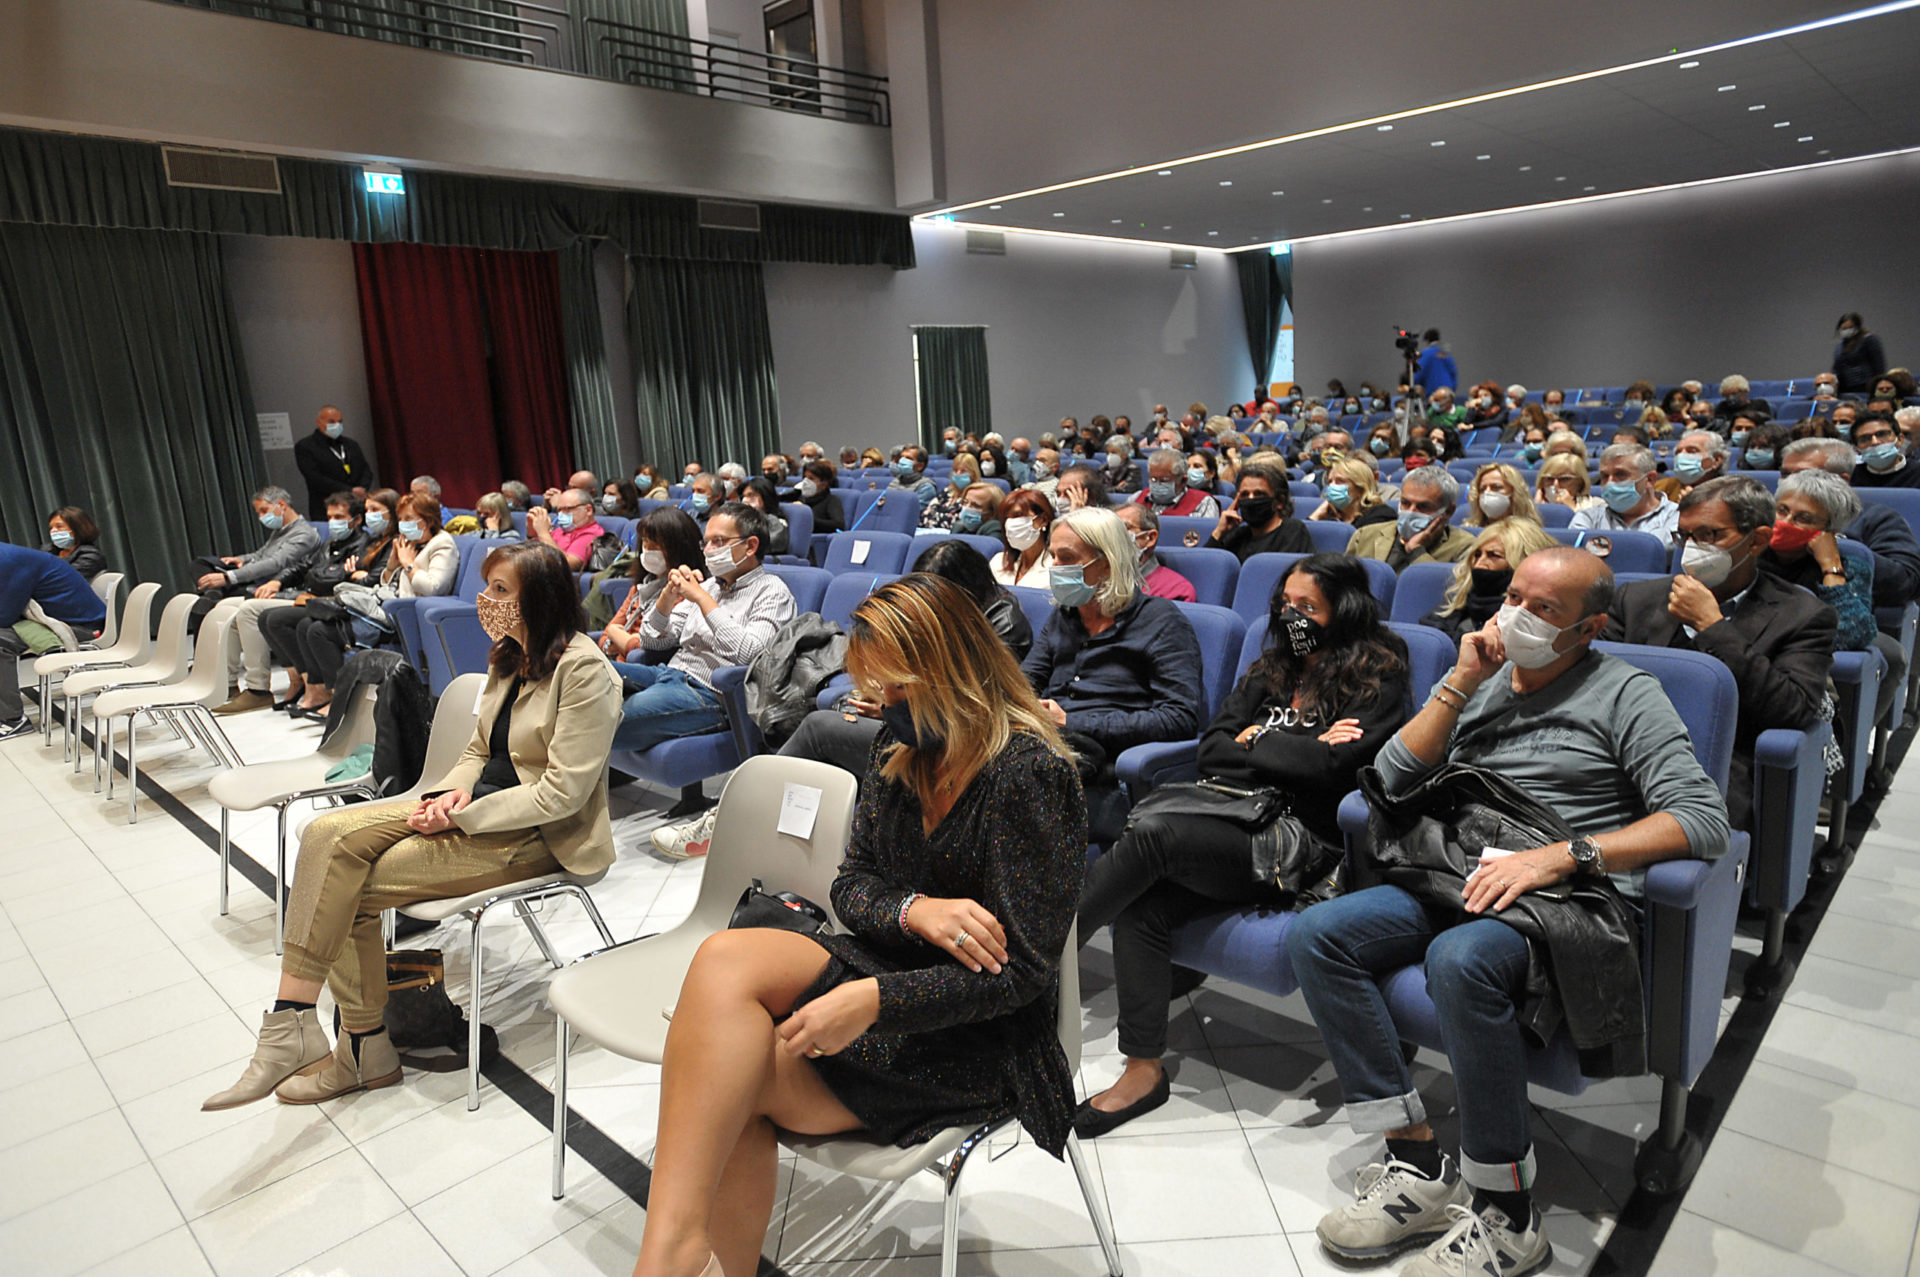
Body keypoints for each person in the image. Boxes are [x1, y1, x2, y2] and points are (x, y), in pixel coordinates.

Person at [1290, 547, 1729, 1275]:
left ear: (1587, 629)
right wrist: (1462, 681)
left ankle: (1508, 1213)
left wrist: (1560, 856)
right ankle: (1416, 1160)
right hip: (1461, 873)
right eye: (1513, 597)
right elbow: (1392, 777)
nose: (1515, 616)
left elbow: (1701, 818)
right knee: (1319, 933)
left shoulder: (1627, 692)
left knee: (1457, 958)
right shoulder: (1484, 684)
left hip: (1561, 895)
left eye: (1543, 609)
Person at [632, 574, 1083, 1277]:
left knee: (731, 1088)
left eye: (899, 690)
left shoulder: (1028, 774)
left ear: (956, 672)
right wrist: (914, 909)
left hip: (975, 1030)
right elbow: (853, 884)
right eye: (876, 691)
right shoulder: (899, 750)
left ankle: (671, 1259)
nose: (883, 706)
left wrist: (877, 1001)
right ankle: (675, 1251)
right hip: (884, 962)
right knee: (723, 959)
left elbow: (1025, 974)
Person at [203, 542, 622, 1110]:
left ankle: (361, 1049)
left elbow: (562, 794)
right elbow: (477, 749)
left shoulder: (585, 672)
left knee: (345, 890)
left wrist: (464, 815)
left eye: (501, 591)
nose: (485, 601)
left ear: (540, 601)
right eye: (487, 587)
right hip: (469, 804)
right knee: (324, 836)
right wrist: (451, 791)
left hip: (538, 833)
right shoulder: (509, 656)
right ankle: (293, 1023)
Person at [1075, 554, 1410, 1134]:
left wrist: (1257, 741)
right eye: (1286, 605)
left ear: (1344, 612)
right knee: (1143, 905)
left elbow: (1339, 769)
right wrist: (1295, 744)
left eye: (1308, 608)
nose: (1292, 617)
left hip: (1299, 841)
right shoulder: (1273, 667)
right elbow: (1212, 749)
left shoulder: (1378, 674)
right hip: (1228, 818)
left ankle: (1035, 966)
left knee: (1152, 836)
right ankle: (1144, 1069)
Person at [1603, 477, 1835, 827]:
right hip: (1620, 748)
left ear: (1756, 540)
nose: (1692, 548)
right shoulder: (1635, 599)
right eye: (1685, 536)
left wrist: (1712, 627)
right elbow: (1597, 679)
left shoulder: (1803, 615)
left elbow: (1792, 710)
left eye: (1710, 535)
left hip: (1718, 760)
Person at [1024, 507, 1203, 844]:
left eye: (1067, 558)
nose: (1056, 569)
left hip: (1110, 775)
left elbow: (1179, 719)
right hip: (1046, 753)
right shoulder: (1064, 617)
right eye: (1053, 558)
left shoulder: (1162, 622)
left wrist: (1072, 722)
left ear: (1106, 563)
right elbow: (1025, 682)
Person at [611, 503, 795, 753]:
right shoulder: (710, 586)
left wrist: (701, 599)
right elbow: (653, 642)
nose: (708, 551)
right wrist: (667, 596)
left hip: (714, 695)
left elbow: (751, 655)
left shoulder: (772, 591)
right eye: (706, 543)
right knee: (585, 672)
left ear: (750, 546)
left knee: (605, 719)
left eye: (718, 541)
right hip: (668, 674)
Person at [288, 493, 456, 721]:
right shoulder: (411, 544)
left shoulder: (442, 544)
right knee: (307, 624)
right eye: (401, 518)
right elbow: (387, 584)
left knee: (320, 632)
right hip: (389, 609)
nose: (403, 524)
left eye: (409, 518)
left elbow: (433, 587)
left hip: (408, 619)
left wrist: (407, 563)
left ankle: (341, 703)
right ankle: (322, 694)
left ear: (427, 520)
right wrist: (392, 565)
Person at [215, 491, 370, 716]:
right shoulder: (331, 542)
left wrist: (316, 578)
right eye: (330, 517)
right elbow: (304, 567)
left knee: (251, 611)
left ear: (356, 520)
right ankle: (231, 683)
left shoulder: (359, 545)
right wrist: (277, 581)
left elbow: (335, 578)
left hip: (322, 600)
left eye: (339, 517)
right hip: (306, 594)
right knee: (228, 606)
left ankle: (260, 688)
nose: (333, 522)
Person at [258, 487, 400, 714]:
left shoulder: (386, 542)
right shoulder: (371, 540)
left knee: (301, 625)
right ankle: (310, 684)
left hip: (361, 607)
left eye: (375, 509)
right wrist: (346, 574)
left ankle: (331, 692)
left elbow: (370, 580)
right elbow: (316, 571)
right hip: (341, 598)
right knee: (274, 618)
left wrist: (347, 575)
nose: (333, 522)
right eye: (368, 509)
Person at [1782, 438, 1920, 610]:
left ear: (1841, 481)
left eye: (1804, 475)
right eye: (1785, 474)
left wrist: (1842, 553)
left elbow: (1906, 583)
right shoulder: (1768, 515)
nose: (1789, 483)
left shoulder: (1875, 517)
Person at [0, 542, 107, 741]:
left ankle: (13, 720)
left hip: (82, 626)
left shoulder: (7, 561)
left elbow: (5, 615)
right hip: (51, 619)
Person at [1762, 469, 1878, 652]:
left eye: (1804, 518)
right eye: (1782, 510)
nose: (1786, 522)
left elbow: (1852, 636)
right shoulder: (1748, 550)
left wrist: (1831, 568)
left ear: (1828, 530)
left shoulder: (1851, 567)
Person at [186, 486, 323, 629]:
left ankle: (214, 596)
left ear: (281, 505)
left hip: (265, 581)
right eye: (258, 513)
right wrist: (241, 559)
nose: (261, 517)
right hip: (250, 572)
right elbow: (260, 553)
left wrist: (228, 577)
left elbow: (275, 563)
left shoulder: (304, 534)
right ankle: (214, 593)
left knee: (202, 607)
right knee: (199, 564)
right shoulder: (280, 530)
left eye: (264, 511)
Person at [1420, 521, 1557, 643]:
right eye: (1477, 555)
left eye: (1494, 556)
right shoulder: (1458, 602)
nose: (1479, 564)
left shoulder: (1526, 620)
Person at [601, 507, 705, 663]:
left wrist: (617, 636)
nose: (647, 550)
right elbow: (604, 638)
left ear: (679, 548)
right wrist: (620, 638)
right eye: (645, 542)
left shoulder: (686, 591)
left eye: (655, 545)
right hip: (618, 665)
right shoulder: (639, 588)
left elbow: (646, 646)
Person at [1351, 467, 1474, 571]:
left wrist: (1416, 551)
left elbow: (1448, 592)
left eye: (1423, 506)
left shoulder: (1465, 547)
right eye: (1405, 503)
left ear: (1448, 511)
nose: (1410, 511)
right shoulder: (1364, 535)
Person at [1571, 444, 1681, 544]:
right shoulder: (1588, 518)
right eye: (1604, 476)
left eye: (1621, 474)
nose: (1610, 482)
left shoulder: (1678, 516)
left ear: (1649, 480)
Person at [1206, 462, 1312, 561]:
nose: (1251, 499)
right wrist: (1219, 532)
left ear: (1280, 501)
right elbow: (1209, 569)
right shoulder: (1238, 534)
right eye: (1245, 495)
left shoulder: (1293, 530)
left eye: (1259, 494)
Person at [292, 405, 375, 518]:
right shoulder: (306, 446)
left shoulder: (351, 444)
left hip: (356, 504)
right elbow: (314, 478)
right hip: (326, 506)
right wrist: (349, 490)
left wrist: (362, 488)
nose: (337, 425)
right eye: (331, 422)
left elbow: (365, 470)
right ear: (319, 422)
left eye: (340, 422)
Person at [1114, 503, 1196, 603]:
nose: (1112, 535)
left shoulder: (1176, 590)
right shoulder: (1098, 580)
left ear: (1150, 538)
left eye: (1123, 528)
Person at [527, 487, 605, 570]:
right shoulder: (560, 531)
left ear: (588, 510)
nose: (561, 515)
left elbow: (568, 564)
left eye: (567, 509)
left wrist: (543, 532)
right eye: (559, 510)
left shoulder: (591, 534)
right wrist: (532, 532)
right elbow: (531, 554)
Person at [1311, 457, 1398, 529]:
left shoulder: (1380, 515)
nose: (1331, 486)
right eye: (1330, 482)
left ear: (1361, 488)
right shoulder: (1328, 517)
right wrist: (1316, 516)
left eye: (1340, 481)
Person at [1134, 447, 1221, 519]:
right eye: (1153, 479)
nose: (1157, 484)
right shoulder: (1137, 498)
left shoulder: (1204, 503)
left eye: (1164, 480)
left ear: (1183, 481)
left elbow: (1208, 537)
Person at [992, 491, 1055, 588]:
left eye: (1018, 515)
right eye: (1007, 518)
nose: (1011, 523)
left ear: (1043, 520)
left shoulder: (1056, 567)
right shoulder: (998, 562)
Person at [1848, 412, 1920, 490]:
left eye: (1882, 434)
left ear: (1900, 439)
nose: (1875, 442)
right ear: (1856, 448)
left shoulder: (1917, 473)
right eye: (1865, 438)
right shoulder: (1849, 477)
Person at [1654, 431, 1731, 502]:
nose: (1681, 455)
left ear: (1716, 460)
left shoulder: (1731, 494)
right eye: (1678, 452)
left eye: (1692, 451)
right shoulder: (1659, 488)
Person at [1462, 463, 1536, 529]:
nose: (1487, 492)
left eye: (1496, 487)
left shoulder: (1530, 534)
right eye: (1482, 489)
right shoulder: (1468, 531)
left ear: (1515, 492)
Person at [781, 459, 846, 535]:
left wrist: (805, 514)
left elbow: (838, 525)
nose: (806, 481)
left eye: (811, 478)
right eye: (805, 477)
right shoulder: (799, 497)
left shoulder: (832, 500)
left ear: (824, 484)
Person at [919, 455, 983, 531]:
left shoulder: (976, 496)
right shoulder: (947, 491)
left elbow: (959, 523)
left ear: (973, 473)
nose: (958, 474)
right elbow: (925, 515)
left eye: (963, 471)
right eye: (956, 470)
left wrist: (937, 518)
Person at [42, 507, 107, 581]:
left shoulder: (90, 556)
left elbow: (63, 580)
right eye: (51, 528)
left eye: (59, 526)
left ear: (77, 528)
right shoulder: (49, 551)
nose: (53, 531)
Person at [1834, 312, 1888, 396]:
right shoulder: (1840, 345)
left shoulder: (1869, 340)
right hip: (1845, 388)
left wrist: (1877, 386)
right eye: (1843, 328)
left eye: (1850, 327)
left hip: (1865, 387)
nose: (1846, 330)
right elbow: (1837, 367)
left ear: (1857, 327)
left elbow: (1878, 366)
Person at [738, 477, 791, 556]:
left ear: (765, 496)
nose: (745, 500)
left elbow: (777, 543)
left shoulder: (774, 520)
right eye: (743, 496)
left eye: (751, 495)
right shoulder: (742, 519)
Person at [1533, 454, 1599, 514]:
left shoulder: (1597, 506)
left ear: (1580, 482)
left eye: (1564, 479)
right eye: (1549, 479)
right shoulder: (1529, 507)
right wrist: (1537, 509)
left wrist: (1570, 510)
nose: (1555, 484)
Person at [889, 446, 939, 511]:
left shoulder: (926, 487)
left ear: (920, 466)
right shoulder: (896, 480)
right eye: (902, 457)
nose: (902, 461)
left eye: (908, 458)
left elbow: (913, 513)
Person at [1414, 329, 1456, 393]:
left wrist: (1413, 383)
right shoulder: (1445, 353)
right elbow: (1453, 372)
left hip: (1433, 390)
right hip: (1448, 389)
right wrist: (1452, 387)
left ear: (1427, 340)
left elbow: (1420, 372)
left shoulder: (1425, 353)